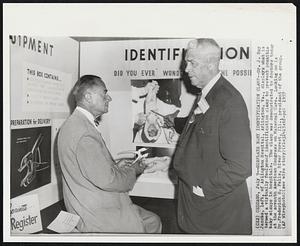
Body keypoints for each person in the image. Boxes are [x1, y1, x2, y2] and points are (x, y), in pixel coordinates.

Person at [57, 75, 162, 233]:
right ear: (88, 97)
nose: (109, 98)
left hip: (95, 205)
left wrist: (114, 166)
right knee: (150, 225)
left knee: (153, 221)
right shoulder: (84, 132)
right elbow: (108, 181)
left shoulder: (77, 124)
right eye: (104, 94)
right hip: (98, 215)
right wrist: (134, 170)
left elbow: (89, 170)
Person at [171, 39, 252, 234]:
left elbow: (241, 165)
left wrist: (204, 190)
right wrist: (175, 121)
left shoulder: (229, 101)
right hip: (199, 210)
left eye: (192, 63)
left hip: (215, 216)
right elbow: (203, 128)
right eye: (186, 62)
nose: (186, 69)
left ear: (211, 64)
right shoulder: (209, 93)